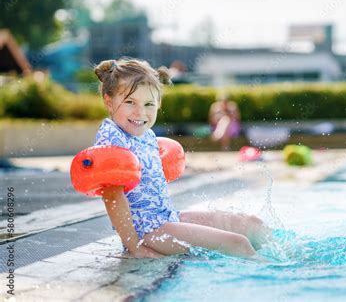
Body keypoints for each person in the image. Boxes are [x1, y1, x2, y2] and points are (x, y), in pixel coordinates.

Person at [93, 58, 270, 259]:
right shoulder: (112, 138)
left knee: (251, 225)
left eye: (149, 104)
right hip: (149, 232)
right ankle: (279, 274)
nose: (140, 112)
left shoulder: (145, 134)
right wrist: (135, 247)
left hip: (168, 217)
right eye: (130, 102)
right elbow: (113, 196)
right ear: (109, 101)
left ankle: (296, 258)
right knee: (238, 244)